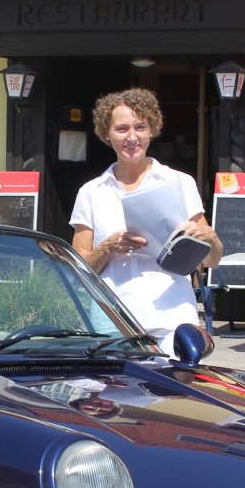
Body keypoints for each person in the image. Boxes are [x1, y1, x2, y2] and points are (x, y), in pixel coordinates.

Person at [70, 88, 222, 355]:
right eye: (121, 129)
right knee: (117, 394)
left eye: (140, 127)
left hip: (171, 315)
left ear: (152, 130)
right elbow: (78, 266)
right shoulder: (91, 192)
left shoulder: (179, 183)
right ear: (106, 134)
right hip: (113, 319)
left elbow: (212, 259)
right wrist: (109, 246)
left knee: (175, 391)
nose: (132, 137)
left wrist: (207, 236)